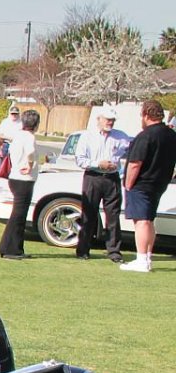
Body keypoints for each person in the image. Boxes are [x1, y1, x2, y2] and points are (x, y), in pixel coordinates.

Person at [120, 100, 176, 273]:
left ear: (145, 115)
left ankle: (142, 259)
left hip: (142, 183)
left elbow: (135, 163)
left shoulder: (145, 136)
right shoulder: (171, 134)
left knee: (142, 221)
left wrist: (128, 184)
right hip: (159, 183)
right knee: (149, 220)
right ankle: (147, 257)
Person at [74, 108, 132, 261]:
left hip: (112, 179)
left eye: (112, 120)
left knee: (113, 216)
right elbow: (80, 159)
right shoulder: (87, 136)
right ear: (99, 119)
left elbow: (133, 151)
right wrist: (98, 164)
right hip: (93, 177)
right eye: (107, 119)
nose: (110, 122)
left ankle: (114, 251)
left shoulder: (121, 136)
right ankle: (83, 250)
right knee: (89, 214)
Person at [0, 109, 41, 260]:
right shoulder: (29, 137)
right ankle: (9, 249)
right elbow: (30, 152)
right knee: (18, 215)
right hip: (24, 179)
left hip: (15, 177)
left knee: (19, 214)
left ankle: (17, 248)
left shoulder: (18, 135)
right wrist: (30, 165)